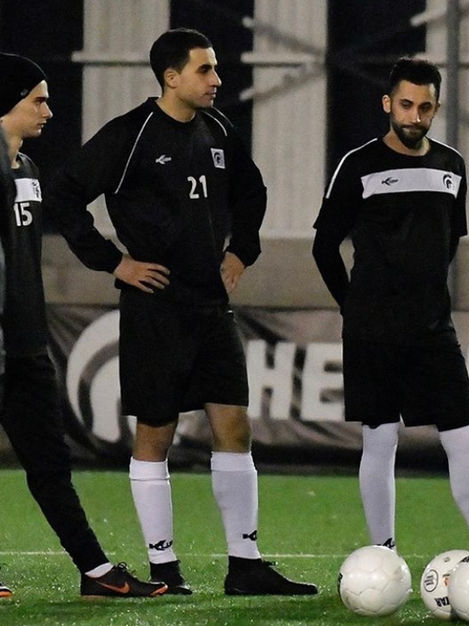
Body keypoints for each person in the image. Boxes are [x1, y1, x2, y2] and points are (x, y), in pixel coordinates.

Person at [47, 30, 316, 596]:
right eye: (205, 69)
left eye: (214, 69)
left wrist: (242, 251)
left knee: (234, 427)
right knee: (155, 433)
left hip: (211, 307)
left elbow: (253, 192)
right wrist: (114, 262)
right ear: (171, 77)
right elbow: (64, 194)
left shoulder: (219, 129)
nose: (216, 79)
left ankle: (246, 565)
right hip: (155, 308)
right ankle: (164, 568)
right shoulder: (130, 134)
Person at [312, 58, 469, 554]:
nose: (414, 116)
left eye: (425, 107)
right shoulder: (358, 165)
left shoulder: (452, 166)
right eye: (405, 105)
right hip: (373, 330)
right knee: (379, 440)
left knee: (464, 437)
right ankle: (384, 555)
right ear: (387, 104)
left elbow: (448, 241)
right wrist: (353, 307)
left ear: (436, 108)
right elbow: (324, 246)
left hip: (434, 328)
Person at [0, 52, 167, 598]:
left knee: (51, 463)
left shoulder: (28, 170)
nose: (48, 111)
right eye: (38, 100)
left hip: (26, 345)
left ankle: (95, 573)